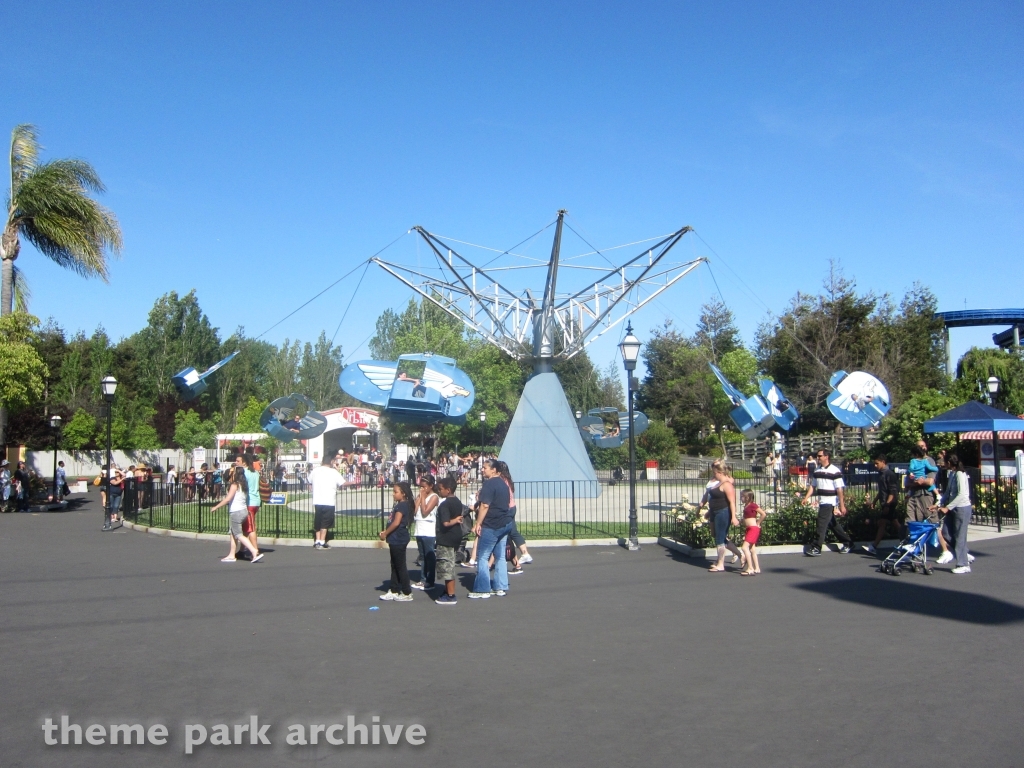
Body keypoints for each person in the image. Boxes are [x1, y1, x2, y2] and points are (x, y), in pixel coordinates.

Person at [469, 459, 515, 598]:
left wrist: (478, 523)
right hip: (505, 523)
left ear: (494, 470)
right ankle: (500, 587)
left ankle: (483, 589)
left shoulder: (489, 484)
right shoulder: (504, 483)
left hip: (492, 525)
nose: (482, 470)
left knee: (482, 556)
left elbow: (485, 506)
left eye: (485, 468)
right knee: (500, 556)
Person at [802, 449, 852, 556]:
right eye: (817, 456)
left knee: (821, 524)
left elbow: (839, 489)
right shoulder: (817, 470)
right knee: (833, 524)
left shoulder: (835, 471)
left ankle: (816, 547)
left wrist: (842, 505)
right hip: (822, 501)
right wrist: (806, 498)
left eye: (820, 456)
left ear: (826, 457)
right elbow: (813, 486)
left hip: (830, 502)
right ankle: (848, 542)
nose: (818, 458)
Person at [906, 442, 951, 559]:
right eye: (919, 446)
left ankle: (945, 551)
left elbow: (930, 481)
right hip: (914, 494)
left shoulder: (929, 460)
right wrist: (913, 483)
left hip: (926, 495)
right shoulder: (913, 461)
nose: (922, 448)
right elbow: (908, 480)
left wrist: (920, 481)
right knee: (913, 522)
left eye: (923, 446)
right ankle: (915, 550)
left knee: (932, 523)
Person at [210, 467, 264, 563]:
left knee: (238, 534)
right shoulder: (243, 484)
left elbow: (227, 499)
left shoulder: (235, 485)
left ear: (236, 474)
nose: (231, 473)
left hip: (236, 512)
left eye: (233, 472)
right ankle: (231, 555)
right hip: (243, 511)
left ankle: (253, 550)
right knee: (233, 533)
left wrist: (216, 507)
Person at [932, 453, 975, 574]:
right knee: (946, 532)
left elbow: (962, 494)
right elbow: (947, 492)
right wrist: (938, 504)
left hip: (962, 508)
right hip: (953, 508)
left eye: (944, 462)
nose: (943, 464)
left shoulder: (960, 474)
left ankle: (963, 564)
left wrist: (948, 507)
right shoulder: (952, 474)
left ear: (949, 463)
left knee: (960, 536)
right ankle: (963, 553)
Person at [701, 459, 744, 572]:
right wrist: (710, 511)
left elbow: (732, 502)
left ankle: (720, 564)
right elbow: (712, 497)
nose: (714, 475)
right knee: (717, 536)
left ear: (719, 473)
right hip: (715, 512)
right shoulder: (718, 483)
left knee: (720, 539)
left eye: (715, 473)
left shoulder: (727, 484)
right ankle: (739, 554)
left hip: (723, 512)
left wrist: (733, 517)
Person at [379, 482, 414, 602]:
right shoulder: (402, 505)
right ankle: (394, 589)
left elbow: (396, 522)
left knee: (400, 566)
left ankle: (406, 591)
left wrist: (385, 533)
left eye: (395, 492)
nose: (393, 494)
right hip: (396, 539)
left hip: (398, 538)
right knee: (394, 564)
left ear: (403, 493)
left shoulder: (401, 506)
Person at [434, 476, 464, 605]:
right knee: (449, 563)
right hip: (456, 536)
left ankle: (451, 595)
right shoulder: (457, 501)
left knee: (447, 566)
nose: (439, 491)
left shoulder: (445, 505)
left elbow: (445, 523)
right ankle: (447, 591)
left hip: (446, 538)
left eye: (441, 489)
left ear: (448, 490)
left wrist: (454, 521)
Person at [863, 455, 901, 555]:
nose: (875, 465)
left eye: (877, 463)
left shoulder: (889, 474)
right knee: (894, 524)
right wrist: (875, 501)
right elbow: (882, 491)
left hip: (889, 504)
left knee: (882, 523)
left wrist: (887, 505)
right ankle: (906, 542)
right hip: (885, 503)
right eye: (874, 463)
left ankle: (874, 546)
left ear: (883, 462)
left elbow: (893, 492)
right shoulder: (881, 474)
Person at [497, 461, 532, 566]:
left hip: (507, 508)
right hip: (512, 507)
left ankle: (517, 560)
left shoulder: (501, 480)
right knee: (513, 532)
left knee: (507, 534)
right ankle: (524, 554)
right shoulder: (508, 479)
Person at [411, 475, 439, 591]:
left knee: (429, 555)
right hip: (419, 528)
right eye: (420, 487)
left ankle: (430, 580)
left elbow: (425, 511)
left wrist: (422, 498)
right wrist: (418, 499)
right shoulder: (420, 496)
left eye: (424, 487)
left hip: (429, 530)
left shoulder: (434, 497)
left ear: (431, 486)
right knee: (422, 556)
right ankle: (423, 579)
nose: (422, 489)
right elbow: (414, 511)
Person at [309, 455, 344, 549]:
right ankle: (322, 541)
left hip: (317, 500)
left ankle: (317, 541)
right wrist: (353, 482)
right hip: (329, 500)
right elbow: (342, 483)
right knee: (325, 522)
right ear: (331, 461)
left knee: (318, 521)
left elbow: (309, 480)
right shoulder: (333, 472)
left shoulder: (315, 470)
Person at [237, 454, 262, 556]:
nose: (236, 462)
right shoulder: (255, 473)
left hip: (249, 502)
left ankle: (255, 550)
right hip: (256, 501)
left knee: (250, 528)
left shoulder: (244, 473)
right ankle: (242, 550)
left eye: (238, 461)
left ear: (244, 462)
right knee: (246, 525)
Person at [739, 489, 765, 576]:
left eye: (742, 496)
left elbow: (763, 514)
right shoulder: (746, 506)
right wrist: (740, 521)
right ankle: (757, 568)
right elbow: (746, 518)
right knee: (752, 549)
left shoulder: (753, 505)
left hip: (753, 529)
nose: (740, 498)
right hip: (749, 528)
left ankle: (750, 568)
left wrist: (758, 523)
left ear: (747, 497)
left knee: (744, 548)